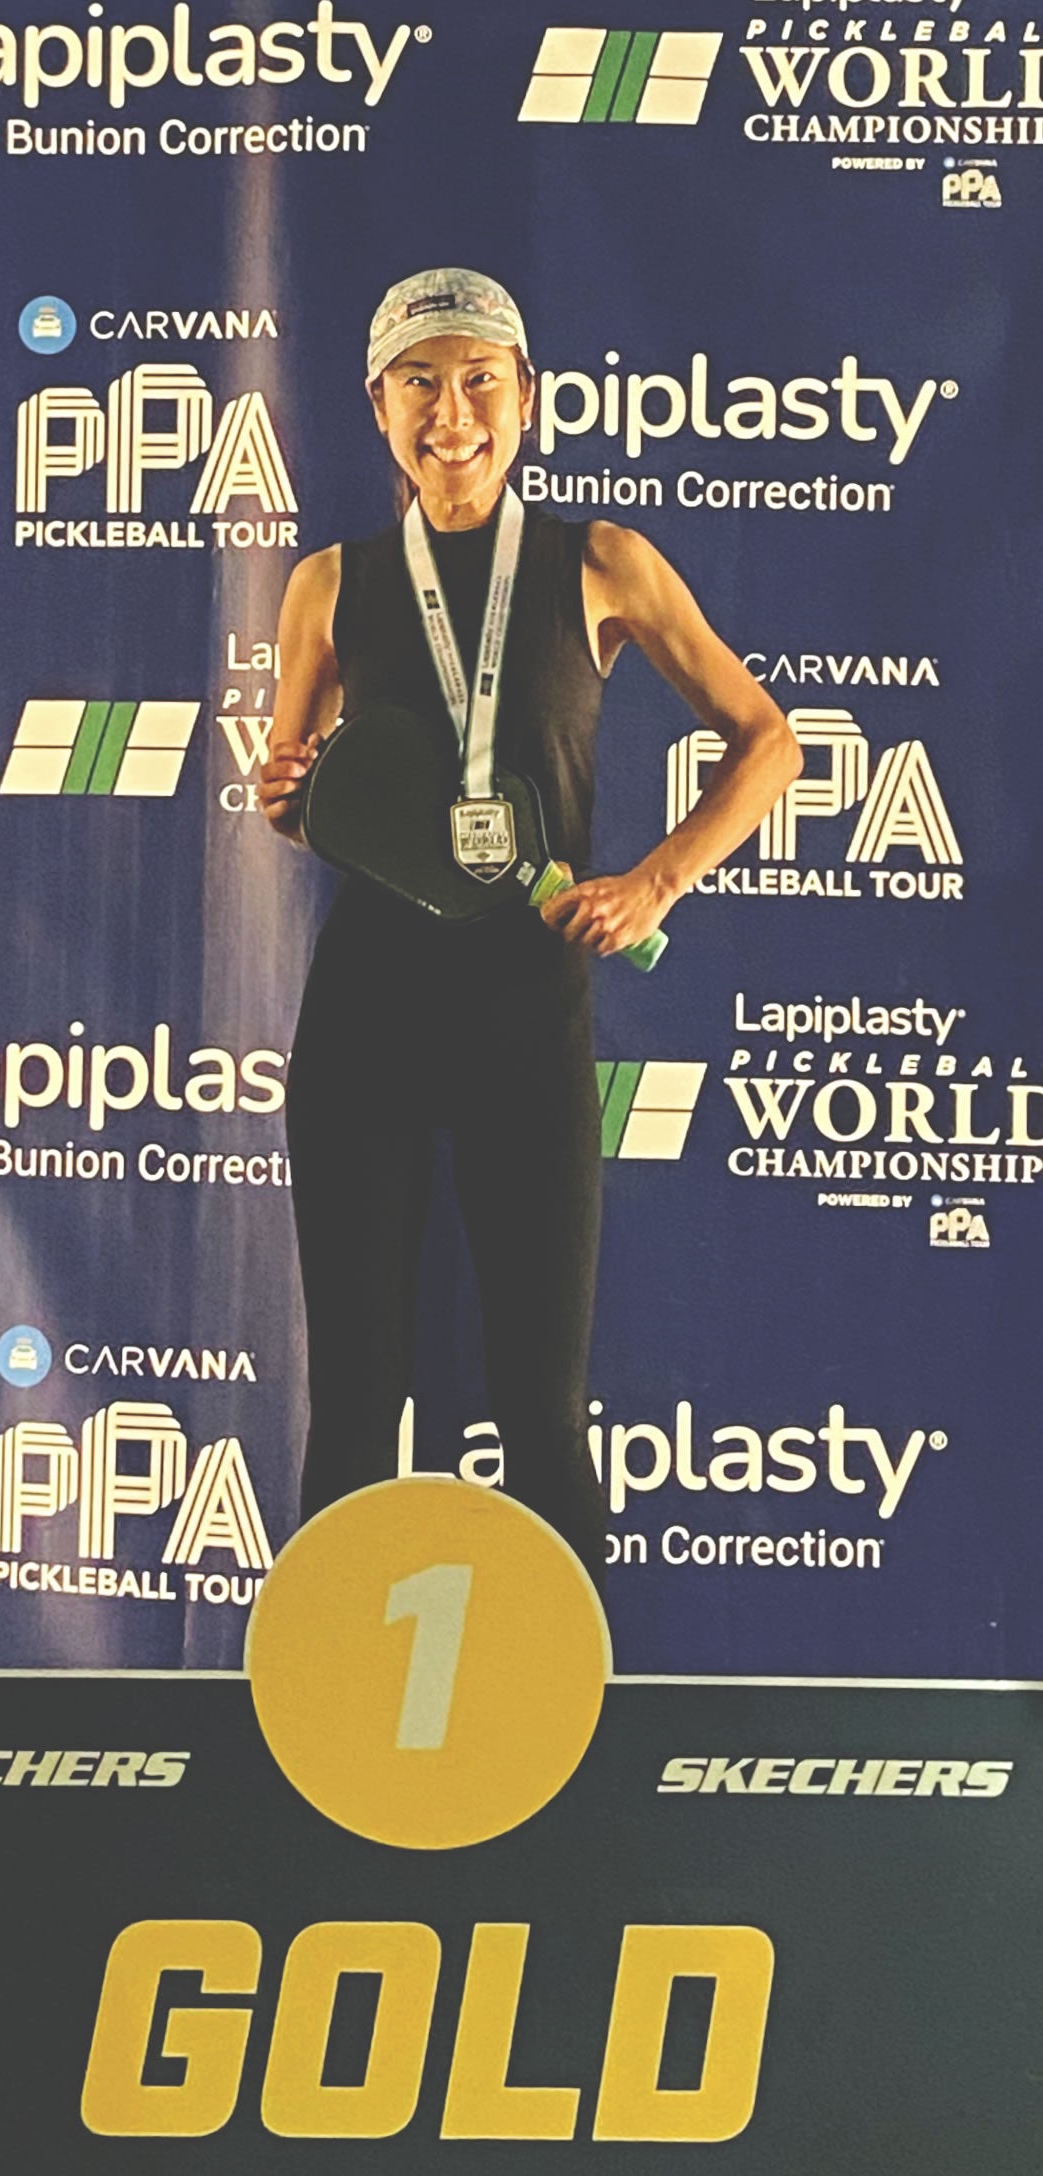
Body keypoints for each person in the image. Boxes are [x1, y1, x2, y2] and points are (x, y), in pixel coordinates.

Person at [259, 268, 801, 1590]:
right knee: (355, 1404)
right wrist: (289, 797)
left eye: (479, 383)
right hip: (367, 1021)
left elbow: (768, 742)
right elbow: (305, 798)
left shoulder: (599, 562)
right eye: (419, 385)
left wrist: (656, 882)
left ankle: (566, 1707)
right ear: (378, 407)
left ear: (528, 398)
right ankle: (333, 1701)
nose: (452, 415)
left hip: (526, 1020)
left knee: (541, 1412)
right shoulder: (327, 584)